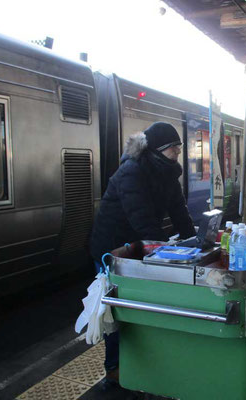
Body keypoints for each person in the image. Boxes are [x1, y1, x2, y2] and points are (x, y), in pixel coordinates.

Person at [89, 121, 196, 390]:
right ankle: (113, 370)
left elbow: (179, 212)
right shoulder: (131, 172)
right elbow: (144, 223)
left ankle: (140, 363)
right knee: (115, 308)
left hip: (135, 245)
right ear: (160, 150)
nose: (178, 154)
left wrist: (196, 242)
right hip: (111, 248)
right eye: (175, 149)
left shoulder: (167, 173)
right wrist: (168, 253)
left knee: (137, 304)